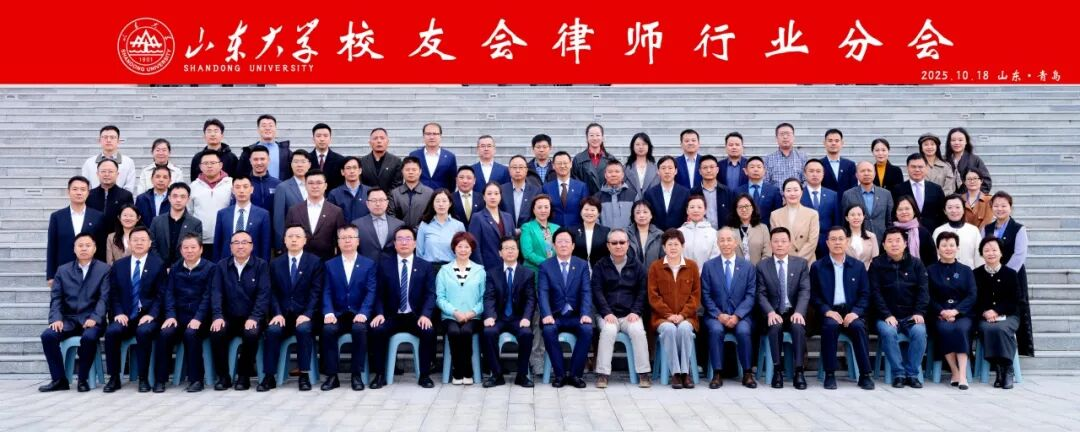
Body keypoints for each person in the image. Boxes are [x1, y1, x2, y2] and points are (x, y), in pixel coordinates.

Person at [368, 226, 438, 389]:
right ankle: (379, 375)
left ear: (414, 243)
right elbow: (378, 294)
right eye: (400, 239)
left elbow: (430, 294)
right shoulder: (384, 265)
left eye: (408, 239)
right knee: (377, 330)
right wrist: (379, 313)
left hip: (415, 316)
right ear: (394, 243)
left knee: (428, 331)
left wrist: (425, 315)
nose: (404, 243)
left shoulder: (425, 266)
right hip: (392, 315)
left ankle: (425, 375)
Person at [38, 233, 109, 393]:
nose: (84, 248)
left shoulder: (104, 269)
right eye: (80, 245)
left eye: (88, 245)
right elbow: (56, 298)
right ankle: (59, 379)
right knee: (48, 336)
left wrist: (95, 317)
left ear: (95, 248)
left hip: (92, 320)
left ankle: (82, 379)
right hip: (68, 320)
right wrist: (56, 318)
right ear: (74, 249)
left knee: (89, 337)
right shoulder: (63, 270)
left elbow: (104, 298)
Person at [810, 226, 875, 390]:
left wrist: (856, 312)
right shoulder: (818, 267)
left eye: (841, 239)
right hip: (829, 312)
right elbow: (814, 296)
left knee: (858, 327)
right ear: (827, 243)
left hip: (851, 312)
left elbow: (865, 294)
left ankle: (865, 375)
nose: (837, 242)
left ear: (847, 242)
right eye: (833, 239)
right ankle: (830, 374)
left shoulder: (858, 266)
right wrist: (827, 311)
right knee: (830, 326)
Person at [102, 227, 164, 393]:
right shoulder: (119, 265)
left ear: (149, 243)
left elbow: (161, 295)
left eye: (143, 240)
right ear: (129, 243)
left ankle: (143, 379)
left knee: (143, 332)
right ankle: (114, 378)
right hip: (125, 315)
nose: (139, 243)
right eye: (135, 240)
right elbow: (114, 293)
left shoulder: (158, 264)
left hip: (147, 316)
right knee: (112, 332)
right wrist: (118, 312)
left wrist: (152, 315)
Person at [263, 224, 324, 391]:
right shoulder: (275, 263)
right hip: (282, 315)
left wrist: (308, 314)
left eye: (298, 236)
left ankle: (304, 375)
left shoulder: (314, 262)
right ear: (284, 240)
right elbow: (272, 292)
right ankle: (269, 376)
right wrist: (276, 313)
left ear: (305, 240)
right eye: (290, 236)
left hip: (305, 315)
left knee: (304, 330)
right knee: (272, 331)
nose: (294, 240)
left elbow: (316, 292)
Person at [209, 230, 270, 392]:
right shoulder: (221, 266)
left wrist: (255, 317)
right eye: (236, 242)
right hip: (228, 317)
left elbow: (263, 294)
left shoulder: (261, 265)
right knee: (216, 331)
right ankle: (224, 376)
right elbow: (216, 293)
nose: (240, 246)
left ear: (252, 246)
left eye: (244, 242)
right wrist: (217, 316)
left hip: (252, 317)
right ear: (230, 247)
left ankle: (244, 376)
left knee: (251, 333)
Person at [869, 227, 930, 388]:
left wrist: (919, 312)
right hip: (886, 316)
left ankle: (912, 374)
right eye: (890, 241)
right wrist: (886, 314)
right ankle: (898, 374)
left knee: (919, 332)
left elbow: (923, 291)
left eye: (898, 241)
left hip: (911, 315)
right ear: (884, 245)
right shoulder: (877, 264)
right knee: (888, 332)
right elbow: (875, 293)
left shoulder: (916, 264)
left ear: (905, 244)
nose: (894, 244)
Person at [319, 224, 377, 391]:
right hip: (338, 313)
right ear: (338, 242)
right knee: (328, 330)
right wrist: (328, 312)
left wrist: (364, 313)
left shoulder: (368, 264)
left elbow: (371, 291)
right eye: (343, 238)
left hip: (358, 313)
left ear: (357, 241)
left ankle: (356, 375)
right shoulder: (330, 264)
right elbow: (326, 291)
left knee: (359, 330)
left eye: (350, 237)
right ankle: (332, 376)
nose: (347, 241)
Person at [591, 229, 652, 388]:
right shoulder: (600, 266)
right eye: (614, 243)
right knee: (608, 331)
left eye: (622, 242)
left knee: (638, 331)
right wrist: (606, 312)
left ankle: (644, 373)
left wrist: (636, 311)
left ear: (628, 244)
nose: (618, 246)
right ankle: (602, 374)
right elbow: (596, 291)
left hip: (629, 315)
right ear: (608, 245)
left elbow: (643, 291)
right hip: (607, 314)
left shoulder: (637, 266)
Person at [155, 234, 216, 392]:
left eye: (193, 247)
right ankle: (160, 380)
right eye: (186, 248)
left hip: (201, 318)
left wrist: (198, 318)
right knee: (165, 333)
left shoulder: (210, 268)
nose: (189, 251)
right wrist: (170, 316)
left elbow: (208, 297)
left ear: (201, 249)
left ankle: (196, 380)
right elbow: (169, 294)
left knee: (191, 334)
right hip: (178, 316)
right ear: (181, 250)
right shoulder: (175, 268)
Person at [537, 228, 595, 388]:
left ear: (573, 245)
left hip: (576, 315)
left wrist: (585, 313)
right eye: (559, 242)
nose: (563, 245)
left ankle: (576, 375)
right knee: (548, 331)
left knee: (587, 330)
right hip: (555, 315)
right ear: (554, 245)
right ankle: (560, 375)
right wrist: (546, 314)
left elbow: (586, 291)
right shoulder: (545, 266)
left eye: (567, 242)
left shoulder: (581, 265)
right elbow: (542, 292)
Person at [702, 227, 758, 388]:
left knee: (743, 331)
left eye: (729, 240)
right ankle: (717, 373)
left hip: (741, 316)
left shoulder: (747, 266)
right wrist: (718, 314)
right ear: (717, 243)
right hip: (716, 316)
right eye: (722, 240)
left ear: (736, 242)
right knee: (716, 330)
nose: (725, 243)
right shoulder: (709, 266)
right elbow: (705, 295)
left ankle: (747, 373)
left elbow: (751, 295)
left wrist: (738, 315)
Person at [756, 227, 810, 389]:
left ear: (790, 243)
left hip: (793, 311)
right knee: (775, 326)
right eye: (776, 241)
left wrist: (799, 311)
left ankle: (799, 371)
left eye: (783, 241)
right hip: (773, 312)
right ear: (770, 244)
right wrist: (770, 312)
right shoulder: (762, 266)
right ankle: (777, 370)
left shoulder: (801, 264)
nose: (779, 245)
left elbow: (804, 290)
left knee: (798, 327)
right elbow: (760, 294)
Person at [983, 191, 1034, 358]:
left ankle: (1018, 350)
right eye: (996, 206)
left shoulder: (1018, 229)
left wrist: (1003, 274)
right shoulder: (986, 228)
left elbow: (1019, 255)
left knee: (1015, 308)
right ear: (991, 208)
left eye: (1004, 205)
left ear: (1010, 207)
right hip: (990, 275)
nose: (1000, 209)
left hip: (1014, 275)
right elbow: (983, 251)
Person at [648, 229, 701, 389]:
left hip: (687, 317)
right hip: (662, 318)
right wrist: (668, 315)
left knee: (684, 329)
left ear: (682, 246)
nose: (673, 248)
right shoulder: (656, 267)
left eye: (676, 244)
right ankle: (676, 374)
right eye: (669, 244)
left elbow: (695, 296)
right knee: (669, 329)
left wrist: (683, 315)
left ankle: (685, 373)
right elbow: (653, 296)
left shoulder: (692, 266)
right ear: (664, 247)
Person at [481, 237, 537, 388]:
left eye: (513, 248)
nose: (510, 251)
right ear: (500, 253)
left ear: (518, 252)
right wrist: (490, 316)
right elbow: (489, 297)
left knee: (526, 334)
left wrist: (526, 317)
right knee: (488, 332)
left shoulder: (527, 273)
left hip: (518, 318)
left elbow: (531, 299)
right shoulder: (492, 273)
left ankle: (521, 375)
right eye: (506, 248)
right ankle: (497, 374)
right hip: (498, 317)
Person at [927, 231, 977, 389]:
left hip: (962, 314)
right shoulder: (930, 270)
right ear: (938, 249)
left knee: (961, 329)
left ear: (957, 248)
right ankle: (954, 371)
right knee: (945, 329)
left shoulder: (966, 270)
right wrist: (942, 311)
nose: (948, 248)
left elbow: (972, 295)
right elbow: (927, 296)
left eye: (951, 245)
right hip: (940, 314)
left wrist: (956, 311)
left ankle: (962, 375)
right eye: (944, 245)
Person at [437, 232, 486, 385]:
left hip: (473, 316)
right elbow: (440, 298)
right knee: (453, 332)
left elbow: (484, 298)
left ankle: (468, 371)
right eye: (460, 246)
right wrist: (455, 312)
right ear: (454, 248)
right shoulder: (444, 270)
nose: (463, 250)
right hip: (450, 316)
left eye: (467, 247)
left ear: (472, 249)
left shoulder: (480, 271)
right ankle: (457, 372)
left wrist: (472, 313)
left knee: (466, 331)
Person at [974, 237, 1021, 389]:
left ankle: (1007, 368)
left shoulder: (1010, 273)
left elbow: (1015, 299)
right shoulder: (976, 274)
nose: (991, 253)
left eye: (994, 250)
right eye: (986, 250)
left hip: (1009, 315)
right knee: (988, 329)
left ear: (1001, 253)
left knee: (1001, 328)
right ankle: (1000, 369)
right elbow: (973, 298)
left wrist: (997, 311)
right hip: (984, 316)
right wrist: (985, 312)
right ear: (981, 253)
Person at [47, 176, 104, 285]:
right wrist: (50, 275)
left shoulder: (98, 216)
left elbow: (101, 247)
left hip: (91, 272)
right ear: (68, 192)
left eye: (83, 189)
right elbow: (52, 246)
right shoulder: (57, 217)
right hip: (64, 271)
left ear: (88, 193)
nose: (79, 193)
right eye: (75, 189)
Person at [285, 168, 347, 259]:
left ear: (325, 186)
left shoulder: (336, 211)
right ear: (305, 186)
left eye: (319, 183)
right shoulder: (294, 210)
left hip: (326, 261)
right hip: (301, 261)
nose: (315, 186)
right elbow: (287, 238)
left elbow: (340, 240)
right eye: (310, 183)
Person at [213, 175, 272, 262]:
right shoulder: (222, 214)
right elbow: (217, 244)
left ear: (251, 189)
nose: (241, 190)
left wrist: (264, 266)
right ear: (233, 190)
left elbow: (265, 245)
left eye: (245, 187)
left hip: (253, 264)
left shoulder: (263, 214)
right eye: (237, 187)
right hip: (227, 263)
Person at [189, 152, 233, 257]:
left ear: (221, 165)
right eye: (205, 163)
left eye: (213, 163)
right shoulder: (193, 187)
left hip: (225, 238)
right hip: (201, 239)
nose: (209, 166)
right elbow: (190, 211)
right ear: (200, 167)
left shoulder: (231, 184)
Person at [87, 159, 135, 257]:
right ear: (97, 174)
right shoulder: (89, 195)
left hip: (117, 242)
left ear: (117, 174)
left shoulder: (126, 195)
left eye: (110, 171)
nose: (107, 174)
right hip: (93, 241)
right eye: (103, 171)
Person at [148, 183, 203, 267]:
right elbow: (152, 245)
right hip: (159, 268)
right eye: (175, 196)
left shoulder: (195, 223)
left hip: (184, 269)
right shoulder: (157, 221)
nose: (178, 200)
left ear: (188, 199)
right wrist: (161, 266)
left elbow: (195, 249)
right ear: (169, 198)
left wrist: (177, 268)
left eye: (183, 197)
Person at [842, 161, 894, 243]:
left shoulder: (886, 194)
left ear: (874, 174)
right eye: (862, 171)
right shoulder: (848, 195)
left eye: (869, 170)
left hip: (882, 240)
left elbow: (889, 220)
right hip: (858, 241)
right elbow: (844, 221)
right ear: (856, 175)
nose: (866, 173)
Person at [470, 182, 518, 269]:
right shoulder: (477, 217)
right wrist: (480, 268)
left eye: (496, 193)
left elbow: (514, 242)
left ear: (500, 196)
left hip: (508, 265)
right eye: (489, 194)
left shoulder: (508, 217)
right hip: (488, 267)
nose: (493, 197)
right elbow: (475, 246)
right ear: (484, 197)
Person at [890, 153, 946, 228]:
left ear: (926, 168)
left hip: (932, 231)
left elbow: (942, 213)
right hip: (906, 230)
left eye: (920, 167)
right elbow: (893, 213)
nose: (917, 170)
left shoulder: (936, 189)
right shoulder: (897, 189)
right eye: (913, 167)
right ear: (907, 168)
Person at [770, 178, 819, 262]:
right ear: (783, 193)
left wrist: (797, 262)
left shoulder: (812, 214)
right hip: (784, 262)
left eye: (796, 190)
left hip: (806, 262)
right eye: (788, 190)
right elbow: (776, 241)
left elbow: (812, 242)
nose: (792, 194)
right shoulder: (775, 215)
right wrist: (788, 261)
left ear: (801, 192)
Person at [272, 150, 313, 251]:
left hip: (314, 242)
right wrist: (280, 245)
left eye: (303, 162)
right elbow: (278, 219)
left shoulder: (316, 186)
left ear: (309, 164)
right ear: (291, 165)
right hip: (292, 243)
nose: (299, 165)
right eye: (296, 162)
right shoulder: (282, 187)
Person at [417, 189, 466, 267]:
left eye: (444, 201)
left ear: (450, 204)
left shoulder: (459, 225)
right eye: (437, 201)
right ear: (433, 204)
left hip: (451, 268)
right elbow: (419, 252)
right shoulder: (424, 224)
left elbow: (463, 250)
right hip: (429, 267)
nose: (441, 204)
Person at [933, 194, 985, 269]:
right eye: (950, 207)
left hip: (970, 272)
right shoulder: (938, 231)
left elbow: (979, 256)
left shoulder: (973, 230)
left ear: (963, 210)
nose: (954, 211)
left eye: (957, 207)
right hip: (944, 273)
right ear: (945, 211)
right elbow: (935, 255)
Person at [81, 125, 137, 192]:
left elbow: (129, 188)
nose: (108, 140)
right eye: (105, 137)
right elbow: (85, 187)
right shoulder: (89, 162)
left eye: (112, 137)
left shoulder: (128, 162)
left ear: (118, 141)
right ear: (99, 140)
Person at [236, 114, 292, 181]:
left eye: (271, 126)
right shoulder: (248, 152)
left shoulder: (286, 152)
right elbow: (239, 175)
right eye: (264, 126)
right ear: (258, 129)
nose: (267, 128)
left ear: (275, 129)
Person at [353, 188, 403, 263]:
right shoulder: (357, 225)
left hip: (392, 267)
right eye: (374, 200)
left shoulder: (398, 225)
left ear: (387, 203)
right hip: (366, 267)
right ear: (367, 204)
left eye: (381, 200)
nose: (378, 204)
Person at [802, 159, 840, 258]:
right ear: (805, 174)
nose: (815, 174)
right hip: (805, 242)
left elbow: (836, 220)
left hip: (827, 242)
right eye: (811, 171)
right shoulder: (799, 195)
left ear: (823, 174)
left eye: (818, 171)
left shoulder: (833, 195)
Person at [644, 156, 691, 231]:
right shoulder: (650, 194)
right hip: (656, 234)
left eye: (670, 168)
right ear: (658, 171)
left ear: (676, 171)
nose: (667, 171)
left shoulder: (685, 193)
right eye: (663, 168)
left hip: (679, 234)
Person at [544, 151, 589, 228]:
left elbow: (586, 209)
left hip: (576, 229)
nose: (562, 166)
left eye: (565, 163)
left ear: (571, 164)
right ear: (553, 166)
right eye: (559, 163)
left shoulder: (581, 187)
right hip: (554, 229)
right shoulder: (546, 188)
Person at [572, 123, 618, 195]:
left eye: (598, 135)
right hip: (586, 199)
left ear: (602, 138)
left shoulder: (611, 159)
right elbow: (575, 183)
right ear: (587, 138)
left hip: (606, 198)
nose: (595, 138)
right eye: (591, 135)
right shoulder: (578, 159)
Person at [390, 156, 435, 228]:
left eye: (414, 170)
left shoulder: (429, 193)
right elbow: (391, 216)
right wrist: (403, 231)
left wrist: (416, 230)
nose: (411, 172)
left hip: (423, 231)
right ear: (402, 171)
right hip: (400, 232)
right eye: (407, 170)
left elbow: (431, 215)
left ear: (420, 171)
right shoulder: (395, 193)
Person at [411, 122, 457, 191]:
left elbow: (452, 182)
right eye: (428, 134)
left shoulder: (450, 157)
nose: (431, 137)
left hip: (441, 195)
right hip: (419, 195)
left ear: (440, 136)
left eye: (435, 134)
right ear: (423, 136)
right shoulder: (414, 155)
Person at [737, 156, 782, 227]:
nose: (756, 169)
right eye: (752, 167)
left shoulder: (774, 191)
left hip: (767, 229)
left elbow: (778, 213)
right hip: (744, 228)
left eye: (759, 167)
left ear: (764, 171)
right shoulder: (738, 191)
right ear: (746, 171)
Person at [190, 119, 239, 183]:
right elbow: (194, 180)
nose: (212, 134)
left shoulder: (232, 158)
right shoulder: (198, 157)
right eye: (209, 131)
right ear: (204, 136)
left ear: (222, 135)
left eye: (216, 131)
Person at [893, 195, 937, 266]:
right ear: (896, 214)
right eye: (900, 209)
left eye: (907, 209)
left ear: (914, 211)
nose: (904, 212)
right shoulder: (891, 233)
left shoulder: (923, 232)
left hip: (921, 271)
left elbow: (932, 259)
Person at [692, 155, 733, 230]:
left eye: (712, 167)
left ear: (717, 170)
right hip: (700, 232)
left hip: (722, 233)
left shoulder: (727, 192)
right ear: (700, 171)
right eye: (705, 168)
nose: (708, 170)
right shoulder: (693, 192)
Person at [729, 193, 772, 265]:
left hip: (758, 269)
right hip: (736, 270)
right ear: (736, 210)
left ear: (753, 208)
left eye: (747, 206)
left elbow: (767, 253)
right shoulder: (729, 230)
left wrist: (760, 268)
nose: (744, 209)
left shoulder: (763, 228)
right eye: (740, 207)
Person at [946, 127, 992, 193]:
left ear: (966, 142)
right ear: (949, 142)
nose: (957, 143)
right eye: (953, 140)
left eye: (960, 140)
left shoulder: (975, 160)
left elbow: (986, 182)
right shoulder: (944, 160)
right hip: (949, 198)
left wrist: (973, 196)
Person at [763, 122, 809, 188]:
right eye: (782, 134)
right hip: (776, 194)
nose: (785, 137)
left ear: (793, 137)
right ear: (776, 138)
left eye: (788, 134)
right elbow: (765, 181)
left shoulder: (803, 157)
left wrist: (797, 191)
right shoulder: (768, 159)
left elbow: (806, 180)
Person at [520, 195, 559, 272]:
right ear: (533, 210)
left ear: (550, 209)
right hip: (534, 271)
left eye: (546, 207)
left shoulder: (557, 228)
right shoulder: (527, 227)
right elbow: (527, 253)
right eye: (539, 207)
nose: (543, 210)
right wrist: (548, 264)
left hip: (555, 271)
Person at [500, 155, 541, 228]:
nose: (518, 170)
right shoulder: (501, 190)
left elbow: (537, 214)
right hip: (506, 231)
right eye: (514, 167)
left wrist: (524, 229)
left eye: (521, 167)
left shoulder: (536, 191)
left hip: (529, 231)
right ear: (509, 170)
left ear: (526, 170)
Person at [327, 156, 371, 223]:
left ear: (360, 171)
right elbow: (331, 218)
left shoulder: (369, 192)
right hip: (343, 229)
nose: (352, 171)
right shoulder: (334, 194)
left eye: (354, 168)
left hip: (365, 229)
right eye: (348, 168)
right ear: (342, 172)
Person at [595, 160, 636, 229]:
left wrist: (628, 232)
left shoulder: (633, 195)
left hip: (628, 235)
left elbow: (637, 217)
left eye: (617, 171)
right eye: (610, 172)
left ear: (622, 175)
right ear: (605, 175)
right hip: (605, 235)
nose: (613, 175)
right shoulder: (597, 197)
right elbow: (594, 219)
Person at [679, 195, 720, 265]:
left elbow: (715, 257)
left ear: (705, 211)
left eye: (699, 207)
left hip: (706, 271)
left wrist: (705, 270)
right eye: (692, 207)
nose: (696, 210)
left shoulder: (714, 233)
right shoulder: (679, 232)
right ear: (687, 211)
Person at [360, 127, 404, 192]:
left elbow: (397, 186)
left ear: (388, 142)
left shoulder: (396, 161)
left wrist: (384, 198)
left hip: (390, 198)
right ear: (370, 143)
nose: (379, 141)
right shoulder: (362, 162)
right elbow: (360, 185)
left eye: (382, 138)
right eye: (375, 138)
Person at [570, 197, 610, 266]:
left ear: (598, 213)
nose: (589, 212)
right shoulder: (571, 231)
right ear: (581, 212)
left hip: (600, 268)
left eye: (592, 210)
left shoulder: (606, 231)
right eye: (586, 209)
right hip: (577, 268)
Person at [305, 123, 345, 190]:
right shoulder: (306, 159)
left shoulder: (340, 160)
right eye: (318, 136)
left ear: (330, 138)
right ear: (313, 139)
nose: (322, 139)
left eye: (325, 136)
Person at [627, 200, 663, 269]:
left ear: (651, 215)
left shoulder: (660, 235)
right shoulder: (625, 234)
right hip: (630, 274)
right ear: (633, 216)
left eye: (645, 212)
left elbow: (663, 259)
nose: (641, 215)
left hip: (653, 273)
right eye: (638, 212)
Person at [624, 132, 659, 201]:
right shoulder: (625, 168)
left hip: (651, 202)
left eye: (644, 144)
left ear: (649, 146)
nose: (641, 147)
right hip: (631, 202)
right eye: (637, 144)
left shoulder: (656, 168)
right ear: (632, 147)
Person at [820, 129, 857, 193]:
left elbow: (854, 187)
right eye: (830, 141)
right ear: (824, 143)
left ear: (842, 143)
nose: (833, 143)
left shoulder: (850, 165)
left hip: (846, 199)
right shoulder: (819, 164)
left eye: (837, 141)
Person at [843, 204, 879, 268]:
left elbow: (875, 259)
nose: (856, 217)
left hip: (867, 271)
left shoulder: (871, 236)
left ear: (863, 217)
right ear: (847, 218)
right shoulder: (842, 237)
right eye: (852, 215)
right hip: (847, 271)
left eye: (859, 214)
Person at [246, 146, 280, 213]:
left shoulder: (278, 185)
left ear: (268, 160)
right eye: (255, 159)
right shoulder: (244, 185)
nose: (259, 163)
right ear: (250, 161)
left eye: (262, 159)